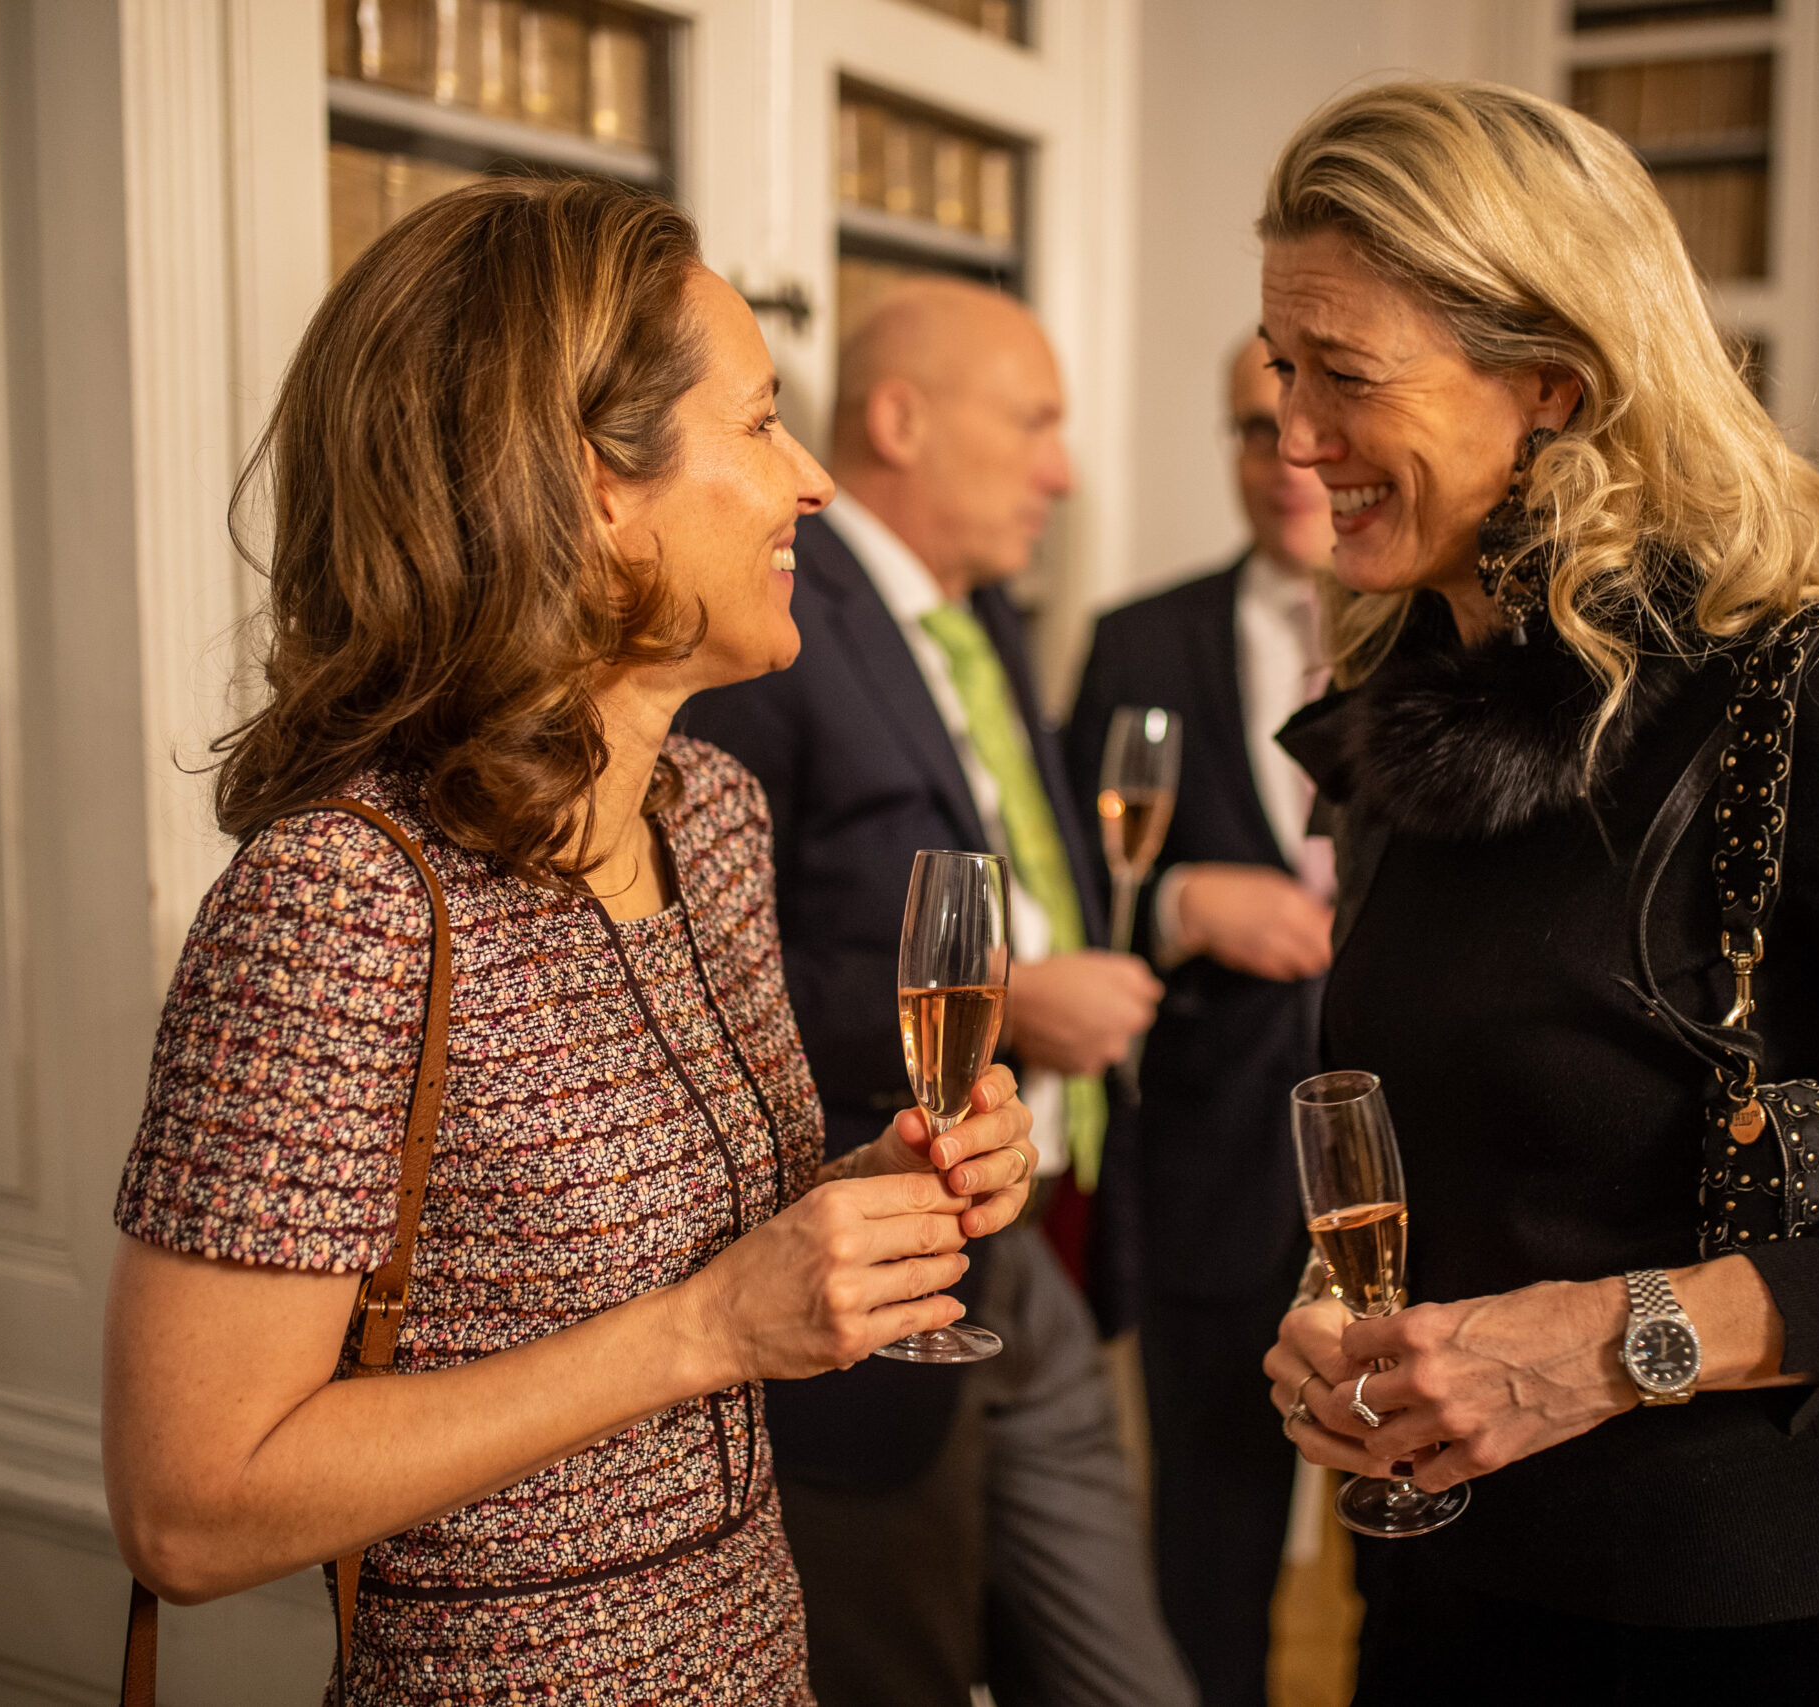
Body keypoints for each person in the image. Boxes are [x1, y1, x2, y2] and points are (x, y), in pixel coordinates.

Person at [100, 178, 1040, 1704]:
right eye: (761, 423)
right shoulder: (340, 901)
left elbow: (652, 1256)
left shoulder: (711, 815)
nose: (812, 479)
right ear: (592, 485)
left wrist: (861, 1204)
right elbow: (189, 1507)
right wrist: (709, 1326)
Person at [1251, 82, 1819, 1705]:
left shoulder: (1813, 696)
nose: (1295, 439)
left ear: (1553, 383)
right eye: (1280, 368)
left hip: (1731, 1628)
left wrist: (1601, 1345)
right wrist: (1331, 1310)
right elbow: (1462, 1140)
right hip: (1440, 1594)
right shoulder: (1405, 697)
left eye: (1345, 375)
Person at [678, 279, 1193, 1707]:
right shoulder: (774, 621)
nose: (1061, 471)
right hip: (870, 1273)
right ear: (901, 419)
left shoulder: (980, 619)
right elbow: (724, 979)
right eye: (1033, 422)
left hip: (1025, 1240)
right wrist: (1014, 1008)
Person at [1062, 335, 1336, 1707]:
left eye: (1308, 422)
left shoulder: (1464, 643)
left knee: (1430, 1561)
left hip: (1431, 1177)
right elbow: (1068, 893)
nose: (1284, 458)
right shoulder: (1139, 641)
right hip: (1213, 1167)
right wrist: (1177, 903)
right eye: (1250, 428)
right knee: (1208, 1550)